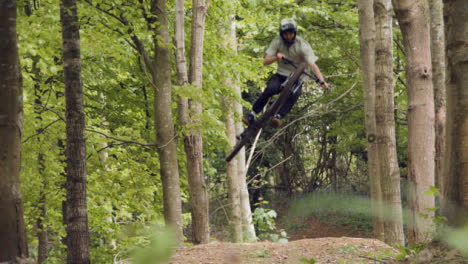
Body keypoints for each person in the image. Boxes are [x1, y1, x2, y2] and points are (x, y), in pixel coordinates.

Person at [243, 18, 329, 128]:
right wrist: (276, 57)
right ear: (282, 34)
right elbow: (265, 61)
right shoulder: (277, 42)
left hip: (298, 76)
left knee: (295, 94)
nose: (289, 37)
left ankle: (278, 116)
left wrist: (321, 81)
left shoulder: (303, 45)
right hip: (281, 74)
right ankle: (252, 114)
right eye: (286, 34)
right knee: (270, 88)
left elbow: (313, 65)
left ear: (295, 33)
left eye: (291, 34)